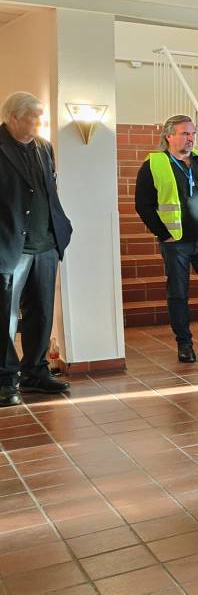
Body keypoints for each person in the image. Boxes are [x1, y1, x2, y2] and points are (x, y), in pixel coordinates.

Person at [134, 114, 198, 363]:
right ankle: (184, 344)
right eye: (185, 133)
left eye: (193, 133)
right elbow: (143, 204)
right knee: (178, 294)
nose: (190, 138)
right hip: (176, 243)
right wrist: (163, 233)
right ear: (169, 136)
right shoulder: (154, 164)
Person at [1, 92, 73, 405]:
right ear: (13, 117)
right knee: (6, 316)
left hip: (46, 244)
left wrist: (60, 230)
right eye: (34, 118)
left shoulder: (44, 147)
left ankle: (34, 372)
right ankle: (5, 380)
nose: (40, 124)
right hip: (9, 245)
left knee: (42, 312)